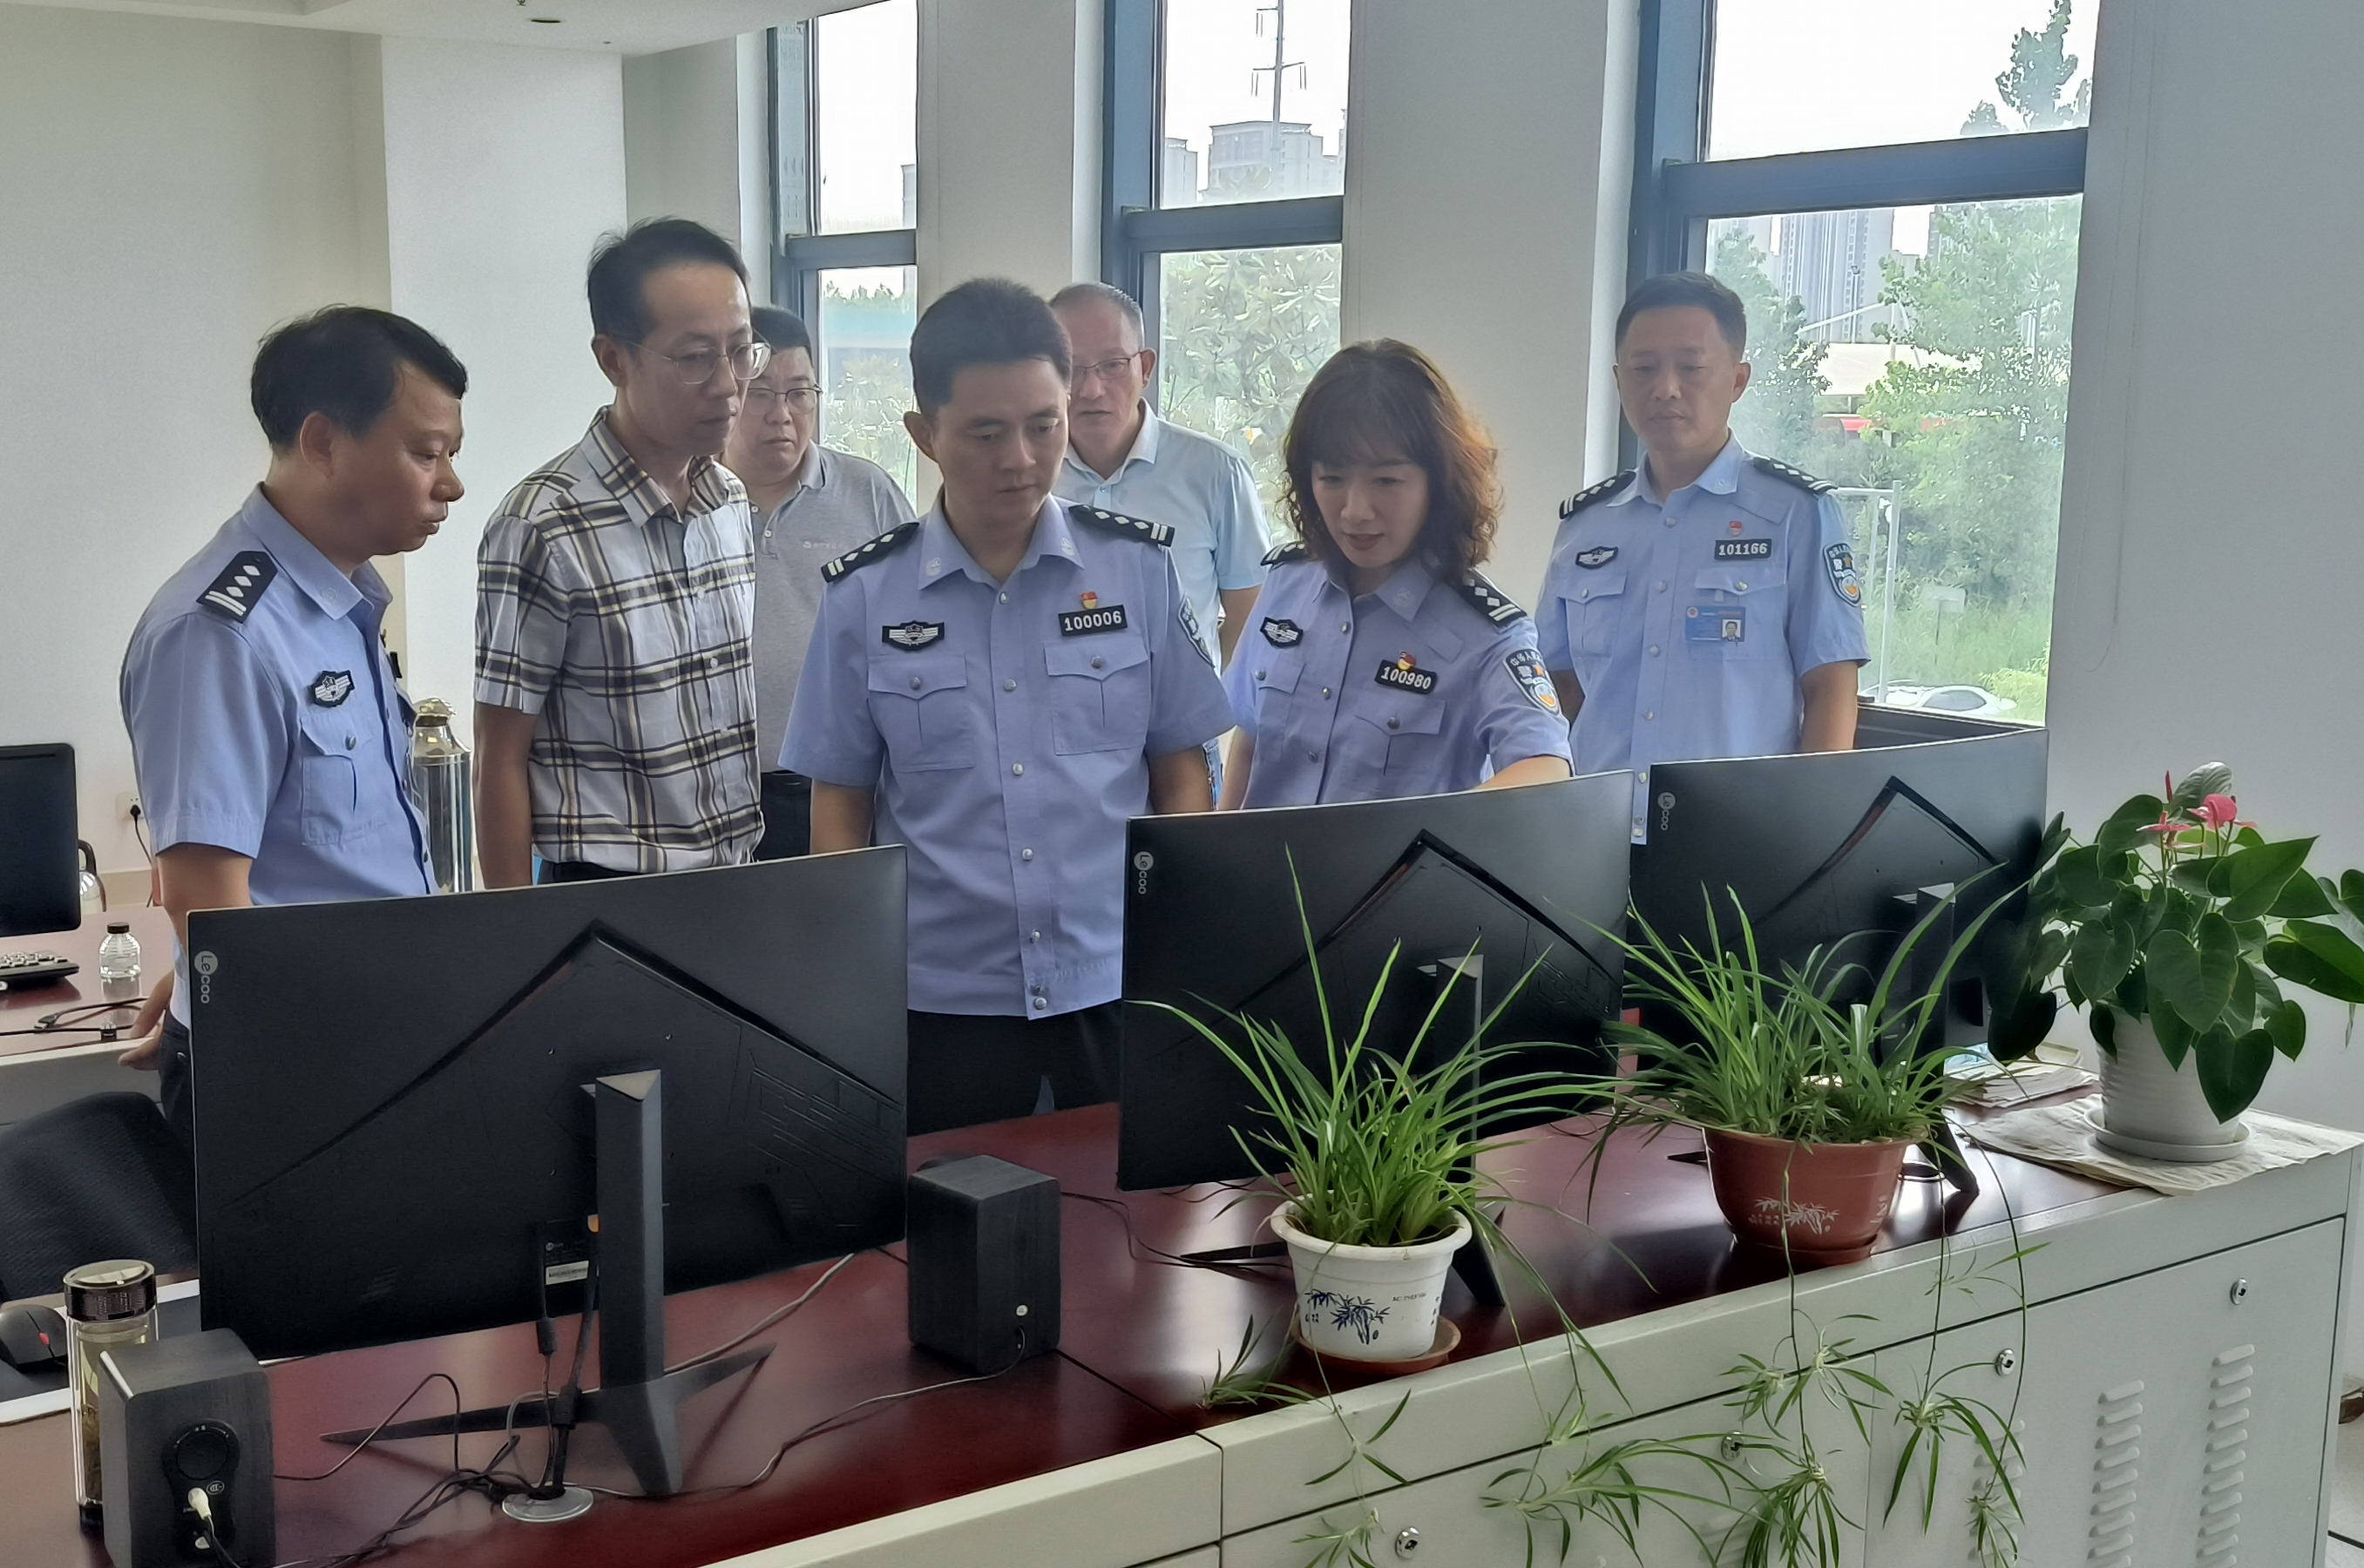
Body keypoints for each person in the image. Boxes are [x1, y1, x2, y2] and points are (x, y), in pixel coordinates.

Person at [782, 278, 1234, 1135]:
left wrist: (1174, 939)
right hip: (940, 997)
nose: (1021, 459)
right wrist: (854, 978)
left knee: (1135, 1204)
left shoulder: (1136, 571)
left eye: (1043, 425)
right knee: (946, 1206)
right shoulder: (865, 596)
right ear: (924, 434)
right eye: (986, 434)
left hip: (1114, 979)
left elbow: (1180, 773)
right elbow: (839, 807)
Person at [119, 307, 466, 1144]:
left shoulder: (339, 607)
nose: (451, 485)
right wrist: (215, 993)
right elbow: (206, 902)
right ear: (323, 443)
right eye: (426, 454)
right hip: (298, 1069)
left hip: (379, 1038)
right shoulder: (220, 632)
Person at [474, 218, 767, 886]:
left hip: (733, 881)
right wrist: (514, 930)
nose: (728, 385)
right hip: (606, 893)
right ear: (613, 359)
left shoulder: (727, 501)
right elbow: (498, 757)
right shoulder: (542, 525)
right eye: (695, 358)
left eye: (741, 351)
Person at [1537, 271, 1868, 839]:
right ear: (1618, 381)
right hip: (1593, 837)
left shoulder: (1796, 514)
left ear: (1737, 380)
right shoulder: (1585, 527)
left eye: (1690, 368)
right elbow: (1557, 690)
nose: (1665, 388)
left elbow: (1830, 689)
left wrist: (1808, 836)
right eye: (1644, 369)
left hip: (1737, 840)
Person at [1218, 341, 1572, 809]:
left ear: (1439, 483)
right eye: (1331, 478)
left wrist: (1438, 828)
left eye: (1386, 481)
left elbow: (1547, 769)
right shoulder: (1286, 585)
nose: (1355, 511)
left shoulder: (1485, 634)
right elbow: (1250, 742)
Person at [723, 305, 916, 859]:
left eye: (800, 394)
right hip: (718, 796)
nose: (781, 415)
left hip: (843, 789)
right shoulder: (694, 499)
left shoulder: (868, 493)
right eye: (761, 395)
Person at [1049, 282, 1270, 665]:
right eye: (1069, 368)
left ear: (1146, 368)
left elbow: (1250, 621)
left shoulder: (1216, 473)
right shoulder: (1027, 476)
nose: (1092, 390)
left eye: (1113, 365)